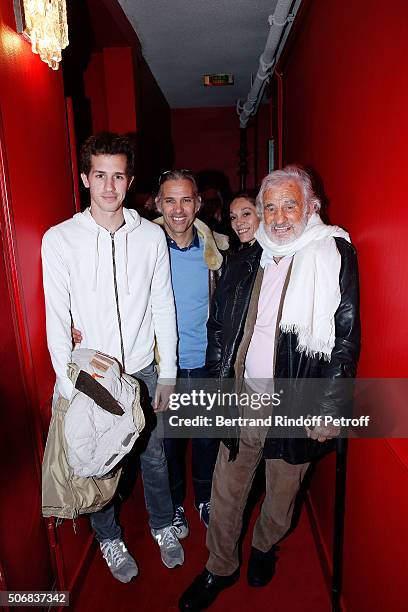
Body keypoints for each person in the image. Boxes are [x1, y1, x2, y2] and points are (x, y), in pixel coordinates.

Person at [179, 165, 361, 610]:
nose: (280, 218)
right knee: (226, 491)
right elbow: (221, 327)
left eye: (290, 206)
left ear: (309, 208)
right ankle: (219, 567)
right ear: (260, 211)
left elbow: (345, 335)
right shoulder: (247, 258)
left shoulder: (333, 253)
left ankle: (263, 548)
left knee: (282, 496)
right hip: (243, 398)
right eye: (271, 207)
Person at [41, 132, 184, 583]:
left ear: (130, 180)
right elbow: (55, 316)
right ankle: (108, 537)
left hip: (142, 369)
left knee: (153, 456)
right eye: (99, 175)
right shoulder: (60, 239)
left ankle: (162, 526)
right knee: (100, 462)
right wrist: (69, 389)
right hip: (92, 376)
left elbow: (164, 305)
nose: (109, 186)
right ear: (85, 178)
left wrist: (168, 373)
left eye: (118, 176)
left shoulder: (150, 238)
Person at [153, 169, 229, 537]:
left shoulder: (220, 250)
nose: (178, 209)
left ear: (198, 204)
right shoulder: (142, 248)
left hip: (205, 365)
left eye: (186, 199)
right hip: (160, 366)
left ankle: (204, 498)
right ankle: (174, 507)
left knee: (204, 439)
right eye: (170, 200)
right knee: (166, 447)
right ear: (158, 204)